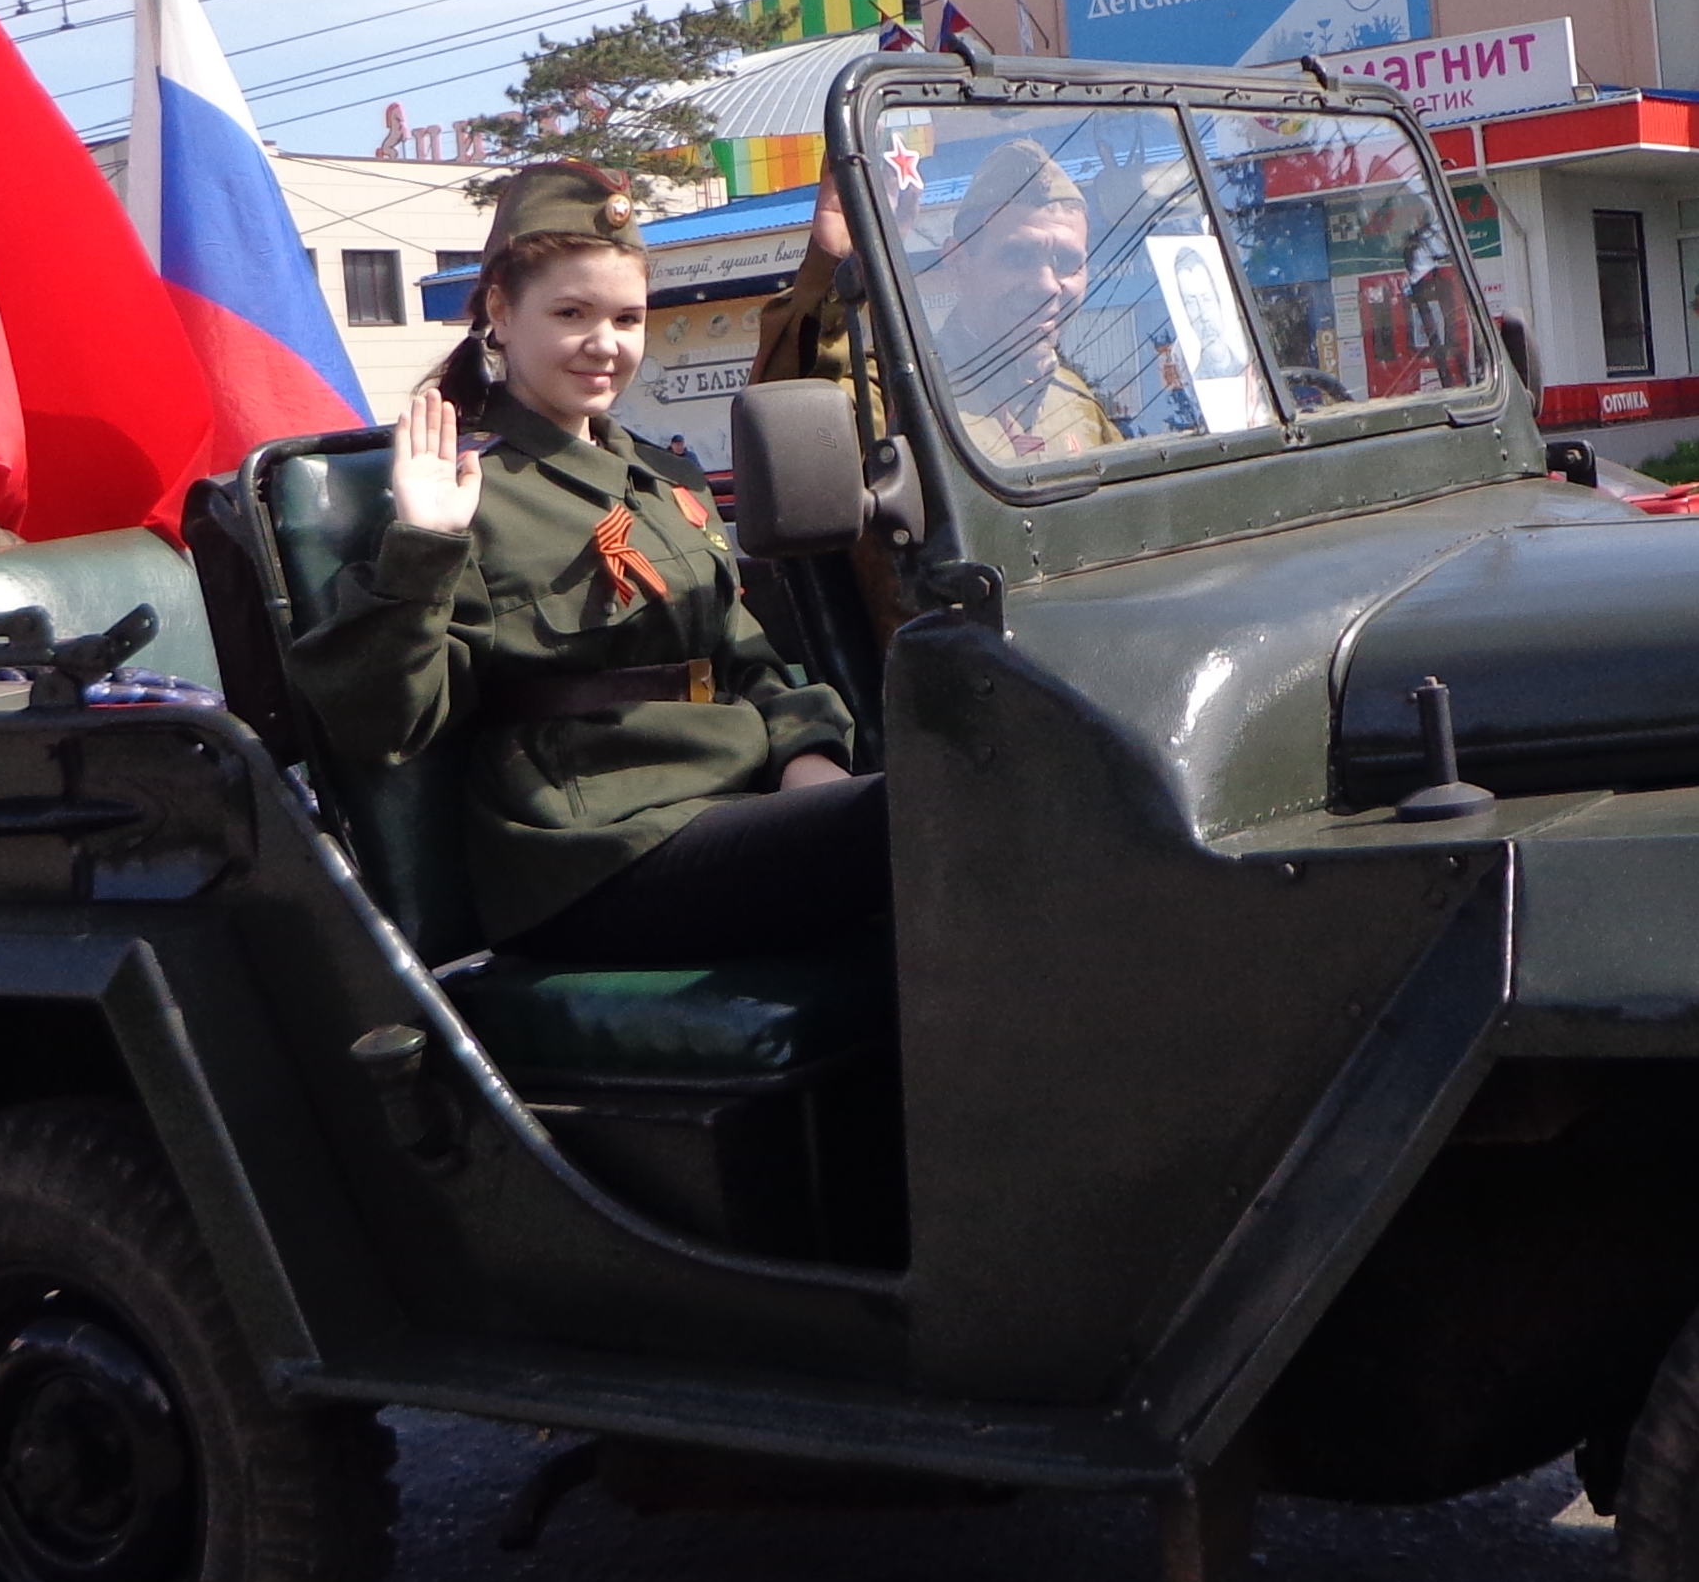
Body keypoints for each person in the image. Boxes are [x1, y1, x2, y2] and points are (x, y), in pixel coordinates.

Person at [291, 162, 884, 969]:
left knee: (943, 804)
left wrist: (810, 760)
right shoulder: (472, 491)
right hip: (596, 855)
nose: (606, 346)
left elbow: (746, 657)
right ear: (501, 310)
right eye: (572, 314)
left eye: (628, 318)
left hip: (729, 804)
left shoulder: (664, 478)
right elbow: (376, 721)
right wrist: (425, 544)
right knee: (911, 827)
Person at [915, 137, 1126, 466]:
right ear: (957, 263)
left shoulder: (1078, 402)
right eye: (1017, 256)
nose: (1046, 285)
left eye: (1067, 261)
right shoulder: (911, 396)